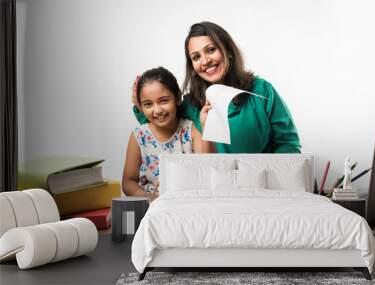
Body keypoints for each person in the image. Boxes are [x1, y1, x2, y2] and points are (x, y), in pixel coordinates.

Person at [133, 21, 301, 153]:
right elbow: (163, 123)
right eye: (196, 57)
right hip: (216, 188)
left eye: (211, 50)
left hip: (263, 185)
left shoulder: (262, 91)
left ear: (227, 50)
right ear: (192, 65)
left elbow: (288, 144)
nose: (205, 61)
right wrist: (139, 106)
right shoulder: (192, 103)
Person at [122, 67, 213, 201]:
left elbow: (207, 166)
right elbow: (128, 182)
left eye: (164, 101)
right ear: (140, 107)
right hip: (150, 204)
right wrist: (151, 199)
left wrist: (206, 127)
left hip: (183, 200)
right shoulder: (139, 135)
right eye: (148, 104)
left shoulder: (190, 130)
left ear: (177, 98)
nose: (157, 110)